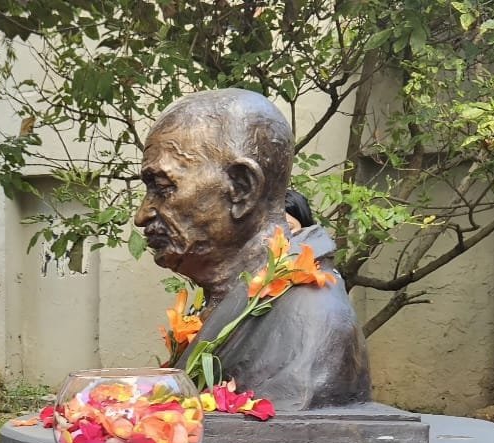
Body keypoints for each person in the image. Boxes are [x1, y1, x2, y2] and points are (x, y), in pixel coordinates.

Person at [134, 88, 370, 410]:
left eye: (162, 188)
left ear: (241, 189)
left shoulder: (313, 322)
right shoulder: (229, 297)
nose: (142, 215)